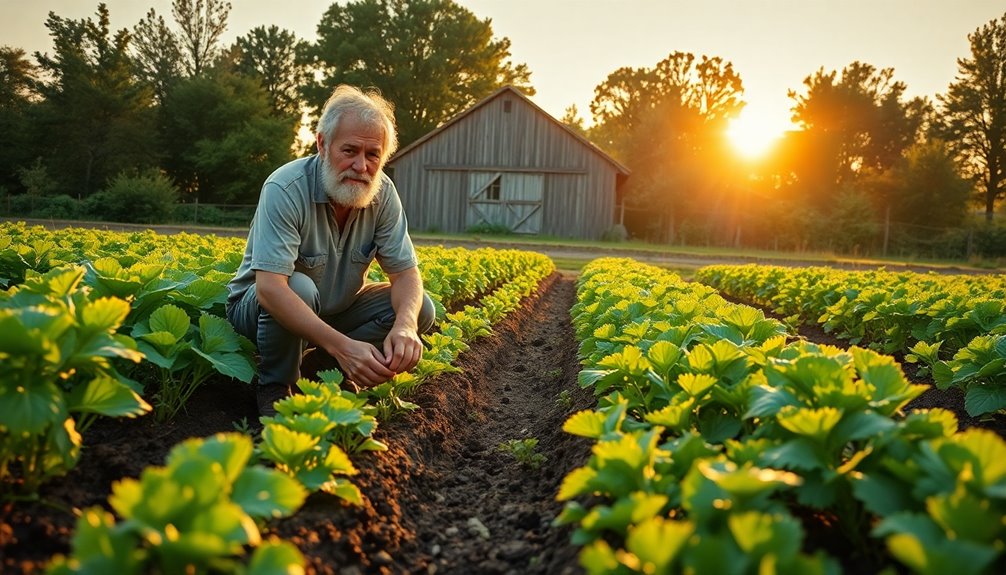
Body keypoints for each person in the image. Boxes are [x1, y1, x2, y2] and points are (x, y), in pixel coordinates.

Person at [226, 85, 436, 417]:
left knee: (419, 307)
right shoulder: (286, 188)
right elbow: (269, 289)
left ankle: (321, 366)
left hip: (334, 310)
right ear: (323, 145)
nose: (361, 166)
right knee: (299, 286)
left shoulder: (383, 195)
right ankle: (276, 384)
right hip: (259, 311)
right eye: (350, 150)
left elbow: (405, 273)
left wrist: (406, 326)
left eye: (372, 155)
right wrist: (344, 345)